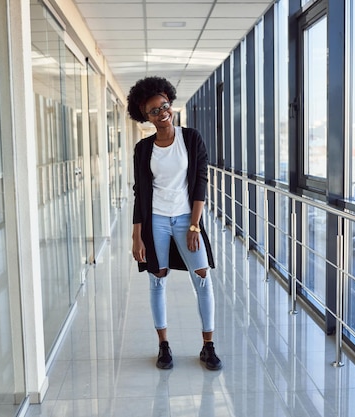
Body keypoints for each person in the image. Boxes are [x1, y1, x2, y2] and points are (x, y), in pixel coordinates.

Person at [127, 76, 222, 371]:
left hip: (185, 219)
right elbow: (139, 193)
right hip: (156, 220)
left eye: (164, 105)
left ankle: (208, 346)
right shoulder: (143, 149)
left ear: (170, 102)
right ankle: (164, 346)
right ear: (145, 117)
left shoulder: (191, 139)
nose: (162, 113)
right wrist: (136, 235)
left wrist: (195, 225)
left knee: (203, 278)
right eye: (153, 110)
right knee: (157, 280)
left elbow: (201, 183)